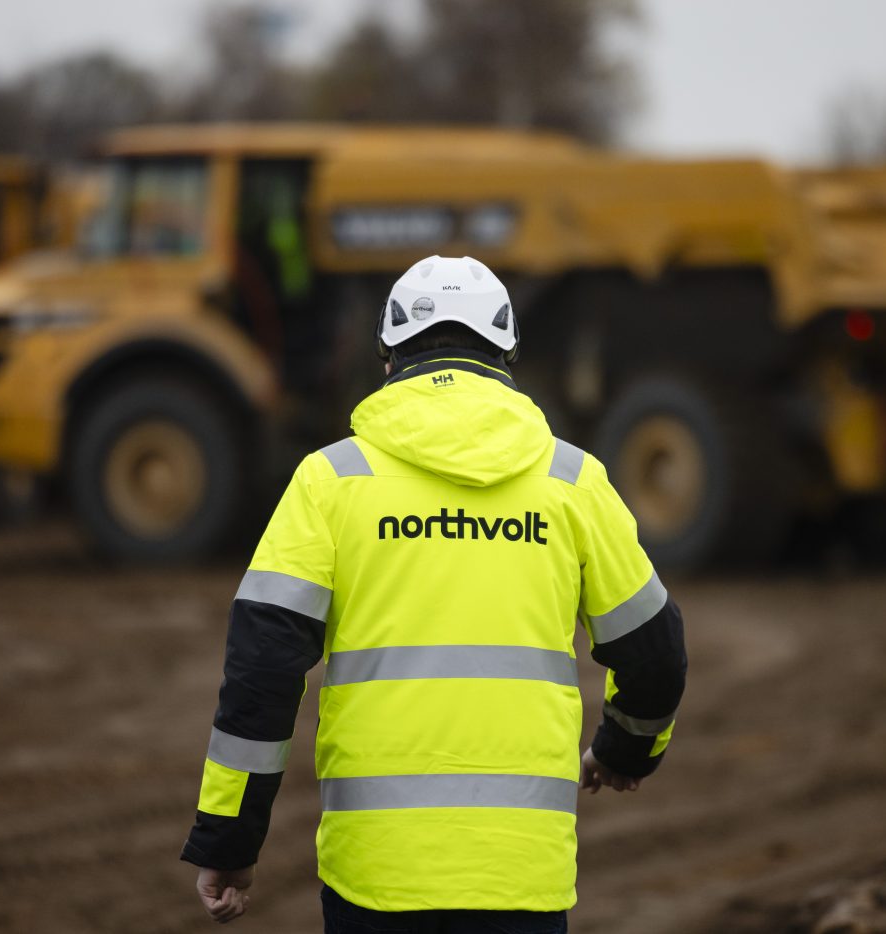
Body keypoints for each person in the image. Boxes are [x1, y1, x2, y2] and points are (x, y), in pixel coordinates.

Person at [181, 255, 688, 931]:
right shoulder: (573, 483)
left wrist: (229, 843)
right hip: (520, 878)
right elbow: (655, 653)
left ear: (389, 356)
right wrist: (623, 751)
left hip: (376, 878)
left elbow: (261, 673)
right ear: (506, 356)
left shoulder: (329, 483)